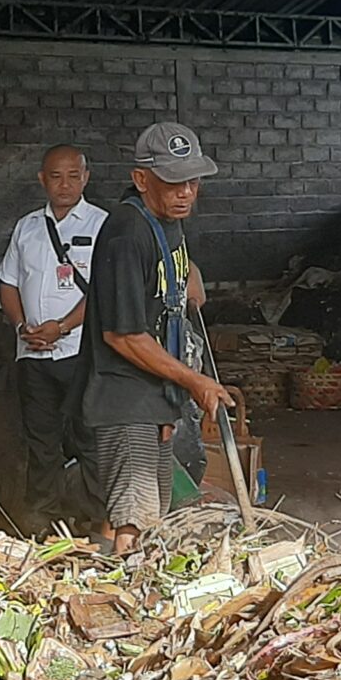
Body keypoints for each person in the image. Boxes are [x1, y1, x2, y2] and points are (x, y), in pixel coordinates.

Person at [79, 123, 233, 555]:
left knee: (144, 507)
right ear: (142, 179)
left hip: (156, 391)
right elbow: (124, 336)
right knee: (136, 517)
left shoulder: (167, 222)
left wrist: (189, 277)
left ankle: (104, 571)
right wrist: (194, 381)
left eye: (193, 181)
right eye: (173, 182)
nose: (186, 193)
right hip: (125, 397)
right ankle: (127, 587)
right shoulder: (126, 235)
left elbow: (172, 280)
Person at [0, 144, 106, 524]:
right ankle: (42, 519)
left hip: (80, 352)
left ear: (86, 178)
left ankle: (94, 520)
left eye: (74, 176)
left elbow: (104, 292)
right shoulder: (27, 227)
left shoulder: (102, 225)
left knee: (88, 437)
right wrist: (20, 326)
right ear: (42, 179)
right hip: (33, 354)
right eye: (56, 177)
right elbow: (8, 283)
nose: (65, 185)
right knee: (41, 441)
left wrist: (61, 327)